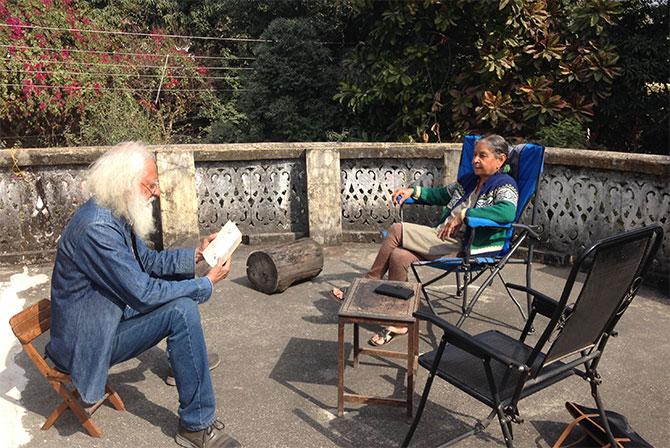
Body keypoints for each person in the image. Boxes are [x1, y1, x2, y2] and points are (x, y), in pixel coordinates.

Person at [46, 142, 240, 448]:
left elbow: (147, 264)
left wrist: (198, 257)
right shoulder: (97, 228)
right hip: (87, 343)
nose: (157, 192)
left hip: (105, 317)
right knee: (182, 311)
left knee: (181, 309)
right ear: (126, 183)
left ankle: (187, 361)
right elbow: (143, 292)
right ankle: (196, 425)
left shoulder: (113, 212)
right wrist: (206, 284)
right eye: (151, 185)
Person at [332, 134, 518, 346]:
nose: (475, 160)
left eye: (482, 156)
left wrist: (464, 215)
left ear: (500, 159)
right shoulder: (470, 180)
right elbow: (441, 195)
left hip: (468, 247)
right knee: (399, 256)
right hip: (443, 238)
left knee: (396, 229)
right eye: (474, 155)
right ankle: (399, 319)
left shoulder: (505, 184)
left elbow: (507, 213)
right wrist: (414, 190)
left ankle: (366, 285)